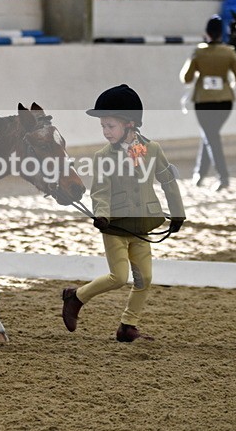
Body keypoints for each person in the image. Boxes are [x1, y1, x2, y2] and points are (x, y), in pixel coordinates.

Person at [62, 84, 185, 342]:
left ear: (130, 124)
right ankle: (77, 297)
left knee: (145, 278)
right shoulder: (102, 156)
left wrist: (177, 214)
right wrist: (102, 214)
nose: (106, 132)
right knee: (118, 277)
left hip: (141, 226)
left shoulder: (152, 150)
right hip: (115, 226)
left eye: (110, 126)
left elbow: (167, 182)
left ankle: (128, 325)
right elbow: (101, 191)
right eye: (103, 127)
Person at [179, 15, 236, 191]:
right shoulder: (229, 52)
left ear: (206, 33)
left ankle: (223, 176)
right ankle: (199, 174)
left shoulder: (199, 52)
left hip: (203, 101)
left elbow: (185, 78)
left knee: (211, 136)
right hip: (225, 101)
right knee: (210, 135)